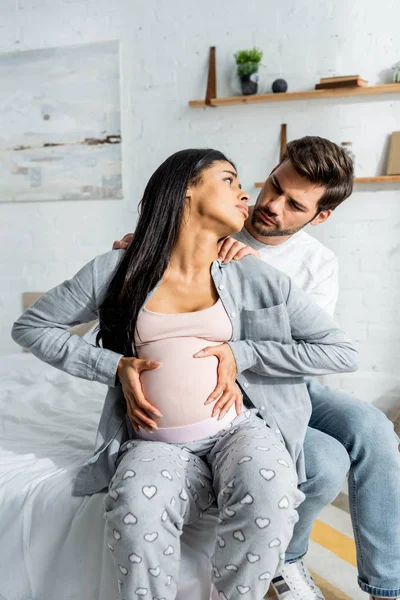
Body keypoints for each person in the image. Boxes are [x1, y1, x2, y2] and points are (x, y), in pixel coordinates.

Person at [11, 148, 358, 600]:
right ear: (189, 187)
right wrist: (112, 365)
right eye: (230, 180)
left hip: (238, 429)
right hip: (156, 440)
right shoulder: (119, 268)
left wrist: (245, 352)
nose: (248, 195)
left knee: (274, 493)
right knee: (134, 511)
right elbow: (32, 326)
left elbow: (341, 351)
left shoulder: (253, 274)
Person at [113, 137, 400, 600]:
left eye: (293, 204)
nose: (270, 205)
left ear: (320, 217)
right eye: (274, 185)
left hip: (282, 378)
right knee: (324, 462)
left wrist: (261, 276)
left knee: (374, 428)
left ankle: (387, 588)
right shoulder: (220, 216)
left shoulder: (317, 264)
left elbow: (308, 348)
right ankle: (286, 558)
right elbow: (161, 261)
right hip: (226, 388)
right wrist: (141, 248)